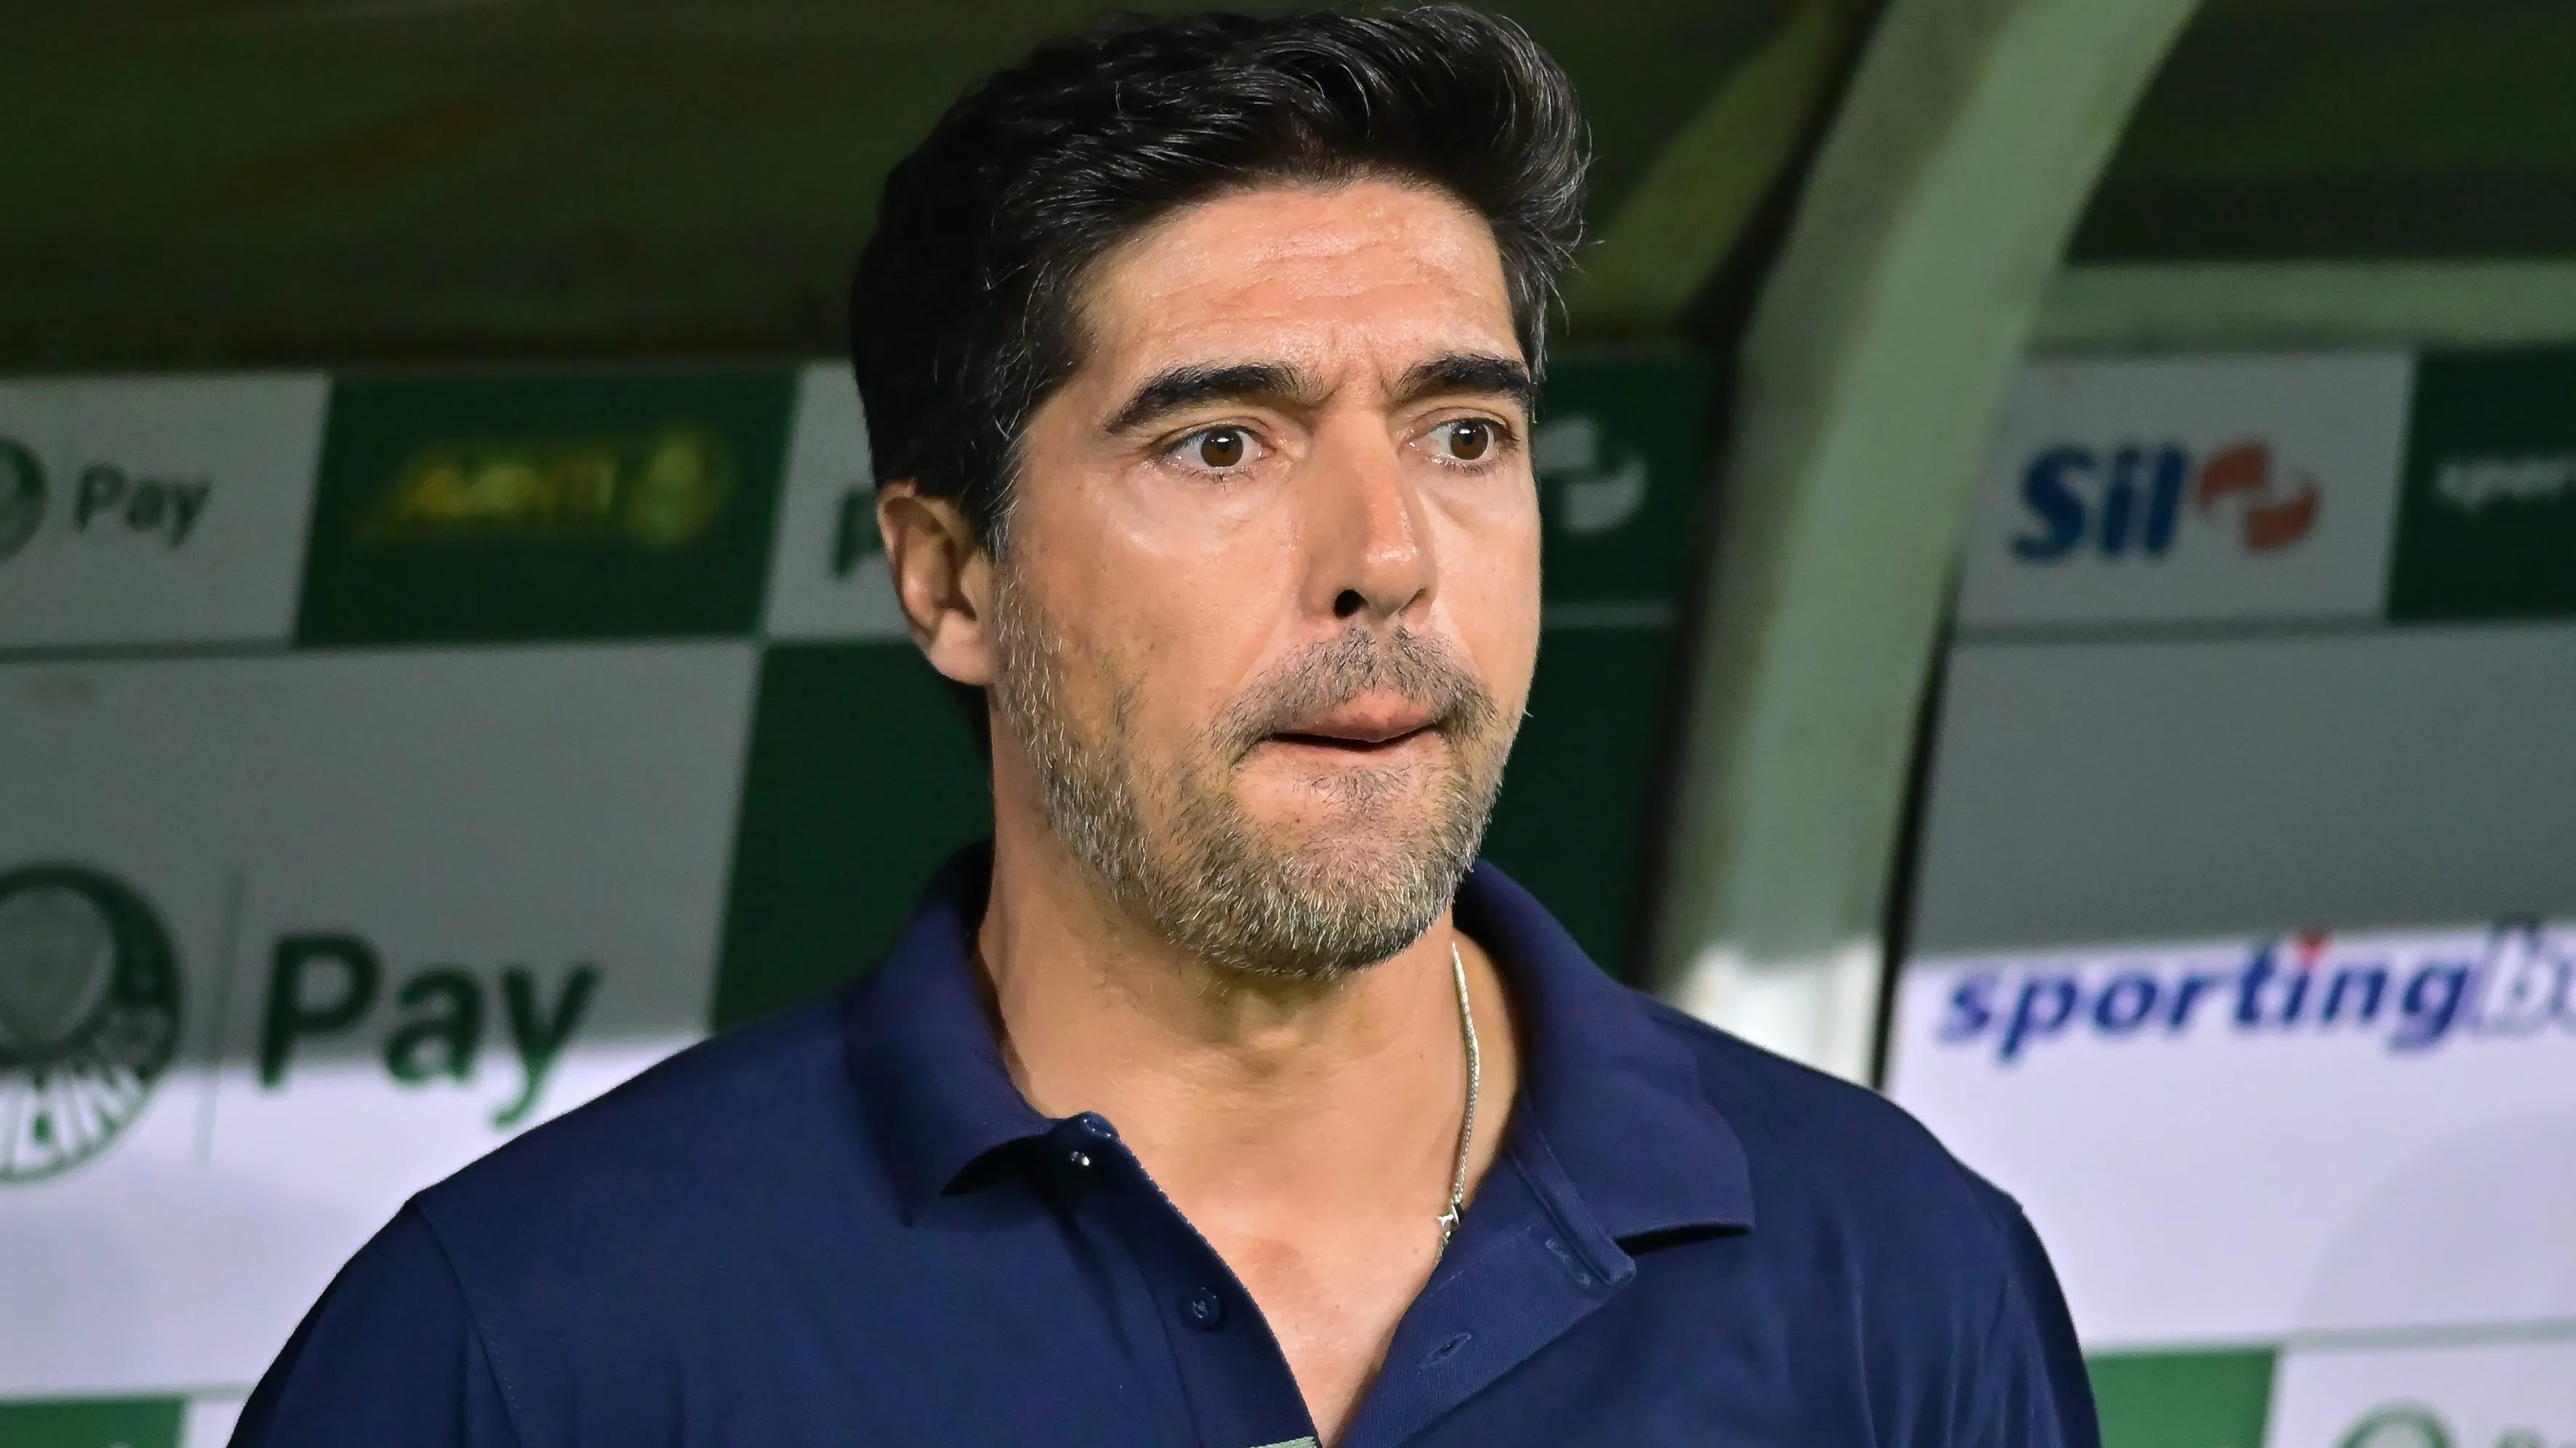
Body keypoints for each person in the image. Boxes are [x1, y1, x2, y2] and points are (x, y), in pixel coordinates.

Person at [232, 9, 2099, 1446]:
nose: (1385, 555)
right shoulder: (537, 1339)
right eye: (1221, 444)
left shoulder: (1893, 1276)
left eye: (1465, 434)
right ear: (951, 577)